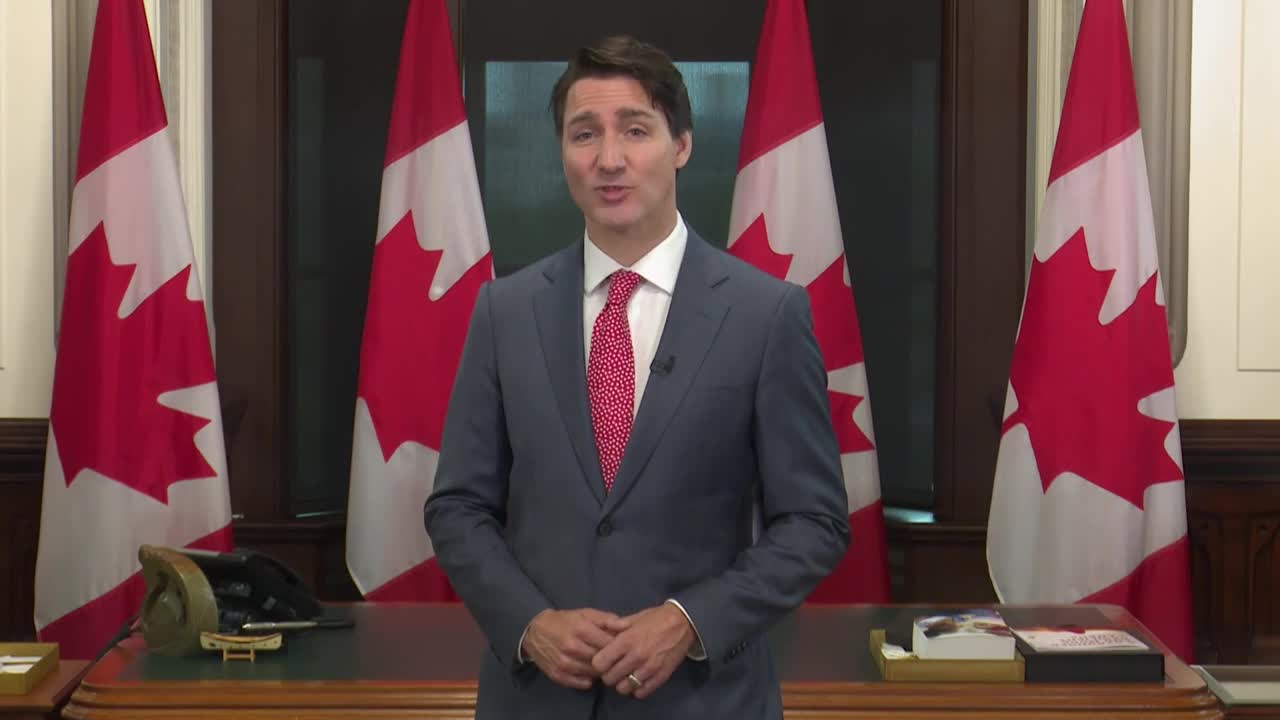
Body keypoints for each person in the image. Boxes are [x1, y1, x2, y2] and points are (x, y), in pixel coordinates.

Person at [424, 34, 850, 720]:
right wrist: (530, 623)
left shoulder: (766, 314)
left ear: (681, 143)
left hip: (704, 701)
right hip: (538, 700)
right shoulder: (505, 311)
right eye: (584, 134)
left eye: (635, 130)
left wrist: (690, 620)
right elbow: (457, 508)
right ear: (562, 152)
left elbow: (815, 522)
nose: (609, 160)